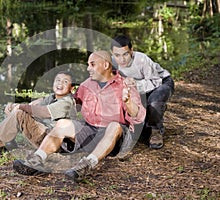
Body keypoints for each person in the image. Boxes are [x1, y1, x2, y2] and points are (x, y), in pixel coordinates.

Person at [13, 50, 146, 182]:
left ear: (105, 65)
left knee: (114, 125)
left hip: (117, 138)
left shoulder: (125, 85)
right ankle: (36, 160)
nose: (88, 68)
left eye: (92, 64)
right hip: (91, 132)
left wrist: (128, 101)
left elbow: (138, 116)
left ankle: (87, 164)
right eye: (88, 64)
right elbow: (68, 101)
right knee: (63, 124)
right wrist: (40, 102)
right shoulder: (86, 85)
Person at [0, 71, 77, 157]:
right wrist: (15, 106)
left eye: (65, 82)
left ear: (71, 88)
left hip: (55, 143)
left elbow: (44, 112)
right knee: (18, 111)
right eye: (58, 80)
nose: (60, 84)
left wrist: (20, 107)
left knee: (20, 113)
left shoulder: (66, 101)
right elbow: (34, 106)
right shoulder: (53, 97)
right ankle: (7, 141)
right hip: (47, 136)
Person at [110, 35, 175, 149]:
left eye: (125, 54)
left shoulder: (141, 59)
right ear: (112, 53)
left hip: (161, 82)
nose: (122, 59)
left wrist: (135, 84)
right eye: (117, 55)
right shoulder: (111, 63)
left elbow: (156, 81)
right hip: (138, 88)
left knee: (153, 103)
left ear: (131, 50)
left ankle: (156, 130)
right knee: (141, 131)